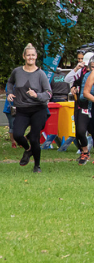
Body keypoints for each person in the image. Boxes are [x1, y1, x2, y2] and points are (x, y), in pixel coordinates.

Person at [6, 44, 52, 173]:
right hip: (22, 109)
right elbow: (10, 82)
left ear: (36, 56)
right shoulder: (17, 72)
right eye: (28, 55)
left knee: (34, 138)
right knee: (17, 134)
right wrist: (9, 93)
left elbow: (49, 93)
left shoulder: (41, 74)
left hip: (38, 109)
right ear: (24, 56)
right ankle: (28, 150)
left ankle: (37, 166)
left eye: (33, 55)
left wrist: (37, 95)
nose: (30, 57)